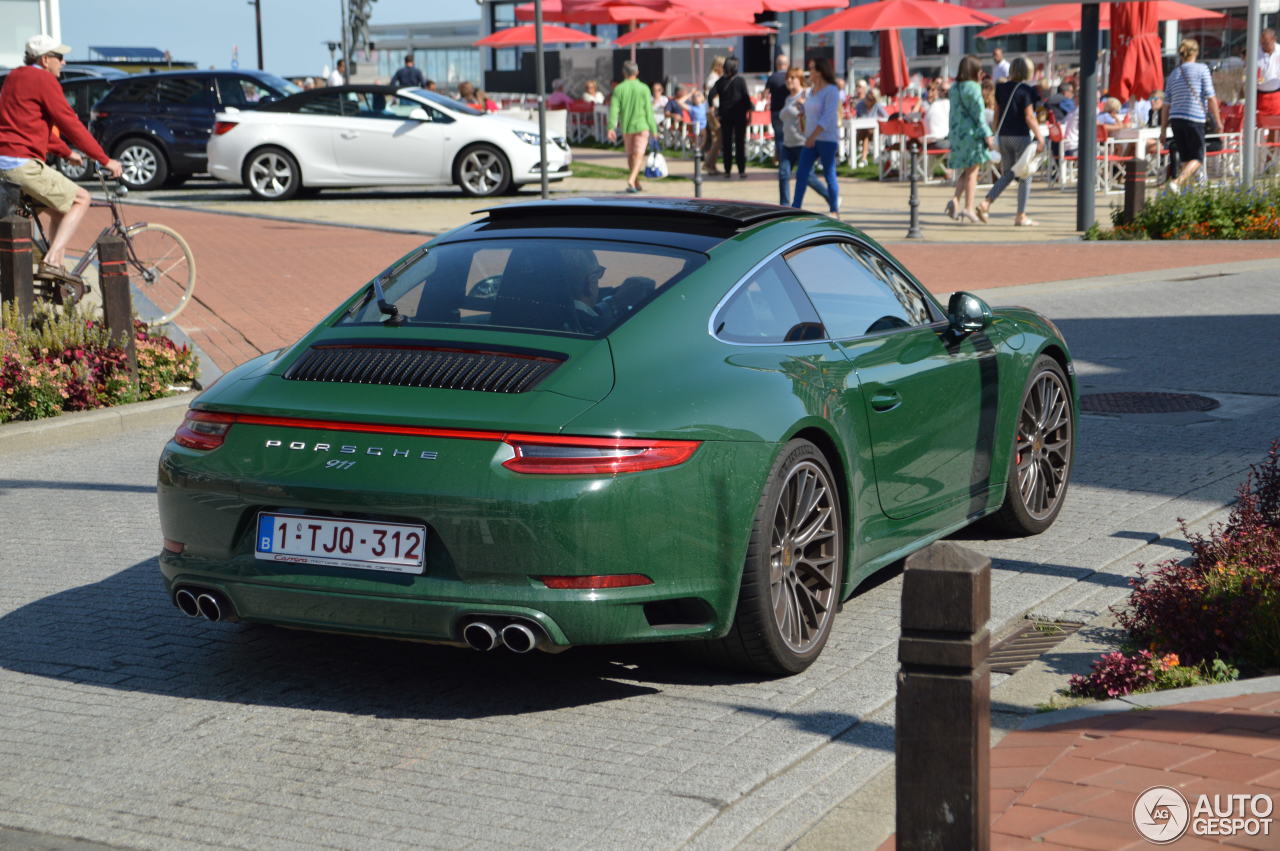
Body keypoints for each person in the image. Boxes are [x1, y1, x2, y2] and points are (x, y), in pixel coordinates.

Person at [0, 35, 123, 285]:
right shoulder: (43, 79)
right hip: (22, 164)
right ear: (45, 60)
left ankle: (54, 274)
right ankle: (52, 262)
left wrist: (67, 153)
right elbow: (69, 122)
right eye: (59, 57)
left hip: (5, 162)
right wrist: (104, 159)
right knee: (82, 198)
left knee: (59, 209)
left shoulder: (14, 77)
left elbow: (29, 127)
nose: (64, 62)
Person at [977, 56, 1045, 227]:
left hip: (1004, 136)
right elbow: (1029, 116)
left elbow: (997, 113)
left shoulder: (1001, 88)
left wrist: (995, 133)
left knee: (1009, 173)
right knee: (1025, 175)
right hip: (1020, 135)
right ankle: (1020, 215)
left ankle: (986, 202)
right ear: (1027, 71)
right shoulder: (1027, 90)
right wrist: (1040, 136)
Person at [1161, 38, 1221, 193]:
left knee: (1186, 159)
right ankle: (1178, 182)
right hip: (1194, 118)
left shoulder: (1174, 74)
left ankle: (1186, 193)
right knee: (1198, 158)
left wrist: (1162, 130)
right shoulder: (1202, 69)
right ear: (1196, 52)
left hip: (1176, 119)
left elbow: (1166, 104)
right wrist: (1218, 121)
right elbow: (1211, 97)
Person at [944, 54, 994, 224]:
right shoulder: (973, 87)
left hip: (958, 134)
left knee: (965, 171)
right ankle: (968, 207)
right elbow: (979, 114)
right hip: (972, 134)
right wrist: (987, 134)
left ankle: (956, 200)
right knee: (973, 173)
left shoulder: (954, 88)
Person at [791, 57, 841, 214]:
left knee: (829, 174)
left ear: (820, 71)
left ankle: (834, 209)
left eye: (812, 68)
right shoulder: (811, 91)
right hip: (811, 138)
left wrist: (812, 136)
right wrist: (802, 111)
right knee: (801, 174)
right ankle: (795, 208)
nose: (809, 72)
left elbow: (827, 117)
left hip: (826, 139)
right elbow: (811, 113)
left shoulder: (831, 90)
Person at [777, 68, 829, 206]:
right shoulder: (788, 98)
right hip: (788, 143)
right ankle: (784, 206)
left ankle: (831, 197)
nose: (789, 80)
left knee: (808, 177)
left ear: (799, 79)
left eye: (792, 78)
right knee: (783, 174)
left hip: (803, 143)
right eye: (787, 78)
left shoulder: (806, 95)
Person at [606, 60, 658, 193]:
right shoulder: (644, 88)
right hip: (642, 125)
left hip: (627, 127)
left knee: (630, 155)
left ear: (624, 73)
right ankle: (632, 180)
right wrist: (654, 129)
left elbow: (614, 109)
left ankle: (634, 182)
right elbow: (648, 111)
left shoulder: (618, 89)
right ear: (637, 72)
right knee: (639, 155)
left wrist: (611, 127)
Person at [710, 56, 751, 179]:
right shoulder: (740, 81)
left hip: (725, 116)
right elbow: (746, 99)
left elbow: (710, 95)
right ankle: (741, 171)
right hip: (739, 116)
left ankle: (727, 170)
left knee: (727, 144)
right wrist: (749, 114)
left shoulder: (720, 81)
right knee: (739, 143)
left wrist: (713, 108)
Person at [765, 54, 791, 163]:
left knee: (779, 137)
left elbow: (765, 94)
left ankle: (782, 160)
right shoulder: (791, 77)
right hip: (789, 111)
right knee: (790, 136)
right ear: (787, 65)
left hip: (776, 111)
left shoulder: (772, 78)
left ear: (777, 65)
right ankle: (790, 159)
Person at [703, 56, 725, 174]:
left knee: (717, 139)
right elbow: (712, 96)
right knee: (718, 139)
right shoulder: (714, 79)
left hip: (711, 111)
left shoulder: (713, 78)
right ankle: (709, 164)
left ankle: (711, 164)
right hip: (714, 111)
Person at [1258, 28, 1280, 118]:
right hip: (1259, 95)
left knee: (1275, 124)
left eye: (1266, 43)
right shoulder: (1255, 52)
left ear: (1274, 40)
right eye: (1262, 43)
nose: (1263, 46)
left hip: (1277, 94)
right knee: (1260, 123)